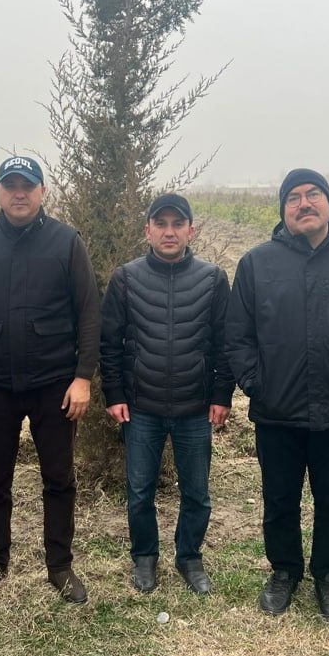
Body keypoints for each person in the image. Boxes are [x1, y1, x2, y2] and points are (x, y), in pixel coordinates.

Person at [225, 168, 329, 622]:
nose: (304, 203)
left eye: (313, 194)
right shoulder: (257, 263)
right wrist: (255, 383)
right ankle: (284, 571)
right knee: (280, 499)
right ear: (283, 210)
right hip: (277, 409)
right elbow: (237, 335)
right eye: (293, 197)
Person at [0, 154, 100, 603]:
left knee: (59, 478)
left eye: (27, 186)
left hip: (55, 385)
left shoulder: (66, 242)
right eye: (11, 185)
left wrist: (82, 378)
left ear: (42, 192)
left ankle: (60, 566)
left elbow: (89, 313)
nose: (19, 193)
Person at [100, 193, 232, 594]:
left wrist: (221, 395)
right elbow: (109, 343)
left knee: (197, 493)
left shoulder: (213, 279)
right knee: (139, 492)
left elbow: (224, 343)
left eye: (178, 224)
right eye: (161, 224)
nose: (169, 232)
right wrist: (114, 394)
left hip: (195, 408)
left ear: (191, 230)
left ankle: (189, 557)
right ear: (148, 231)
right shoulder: (126, 278)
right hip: (141, 408)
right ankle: (144, 557)